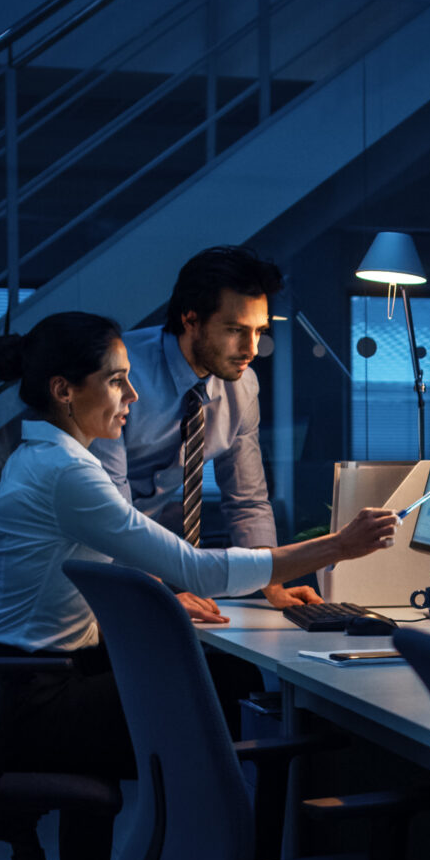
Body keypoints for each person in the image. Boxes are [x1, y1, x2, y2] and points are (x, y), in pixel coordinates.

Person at [0, 310, 397, 860]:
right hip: (19, 704)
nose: (132, 396)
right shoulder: (67, 473)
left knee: (196, 693)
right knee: (209, 718)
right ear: (66, 390)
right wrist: (337, 546)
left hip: (2, 693)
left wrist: (164, 596)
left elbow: (109, 573)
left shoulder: (45, 455)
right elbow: (195, 565)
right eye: (117, 381)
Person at [96, 245, 321, 611]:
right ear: (190, 319)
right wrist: (161, 593)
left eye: (258, 331)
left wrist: (273, 584)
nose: (251, 349)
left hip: (145, 556)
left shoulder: (243, 386)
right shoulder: (121, 373)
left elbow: (247, 501)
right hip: (87, 557)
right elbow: (113, 511)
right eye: (234, 330)